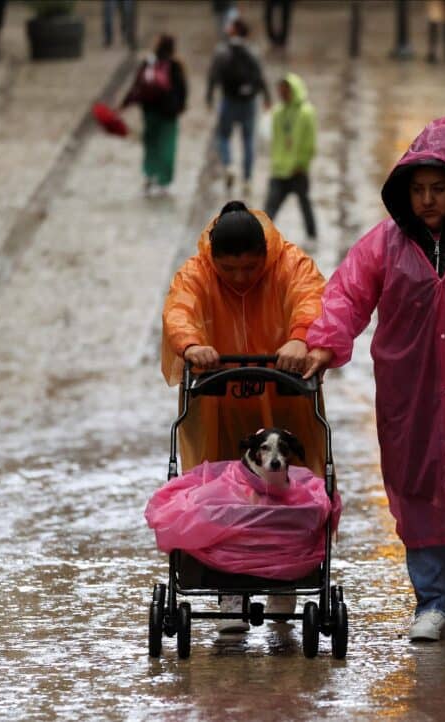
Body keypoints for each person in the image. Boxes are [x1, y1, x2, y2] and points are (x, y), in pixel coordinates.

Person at [302, 117, 445, 642]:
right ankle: (432, 602)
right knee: (418, 491)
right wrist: (324, 341)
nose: (427, 200)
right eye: (418, 190)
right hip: (410, 397)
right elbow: (348, 293)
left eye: (438, 189)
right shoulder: (385, 244)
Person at [161, 200, 328, 630]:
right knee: (219, 492)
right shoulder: (195, 273)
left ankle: (284, 583)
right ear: (213, 261)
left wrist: (298, 338)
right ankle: (228, 591)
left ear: (265, 258)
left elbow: (311, 299)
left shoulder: (290, 263)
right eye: (228, 271)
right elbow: (180, 309)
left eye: (250, 269)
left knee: (287, 492)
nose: (239, 279)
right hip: (216, 401)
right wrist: (191, 344)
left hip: (284, 395)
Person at [206, 18, 271, 197]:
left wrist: (209, 96)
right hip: (249, 101)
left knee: (224, 136)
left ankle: (228, 165)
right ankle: (248, 179)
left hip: (229, 100)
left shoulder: (222, 51)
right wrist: (267, 97)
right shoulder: (253, 51)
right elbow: (261, 76)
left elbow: (213, 75)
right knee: (248, 139)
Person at [122, 34, 188, 196]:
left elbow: (136, 85)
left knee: (150, 142)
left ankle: (149, 173)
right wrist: (181, 106)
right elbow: (182, 88)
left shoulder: (148, 62)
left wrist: (125, 103)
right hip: (168, 111)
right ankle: (164, 180)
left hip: (150, 109)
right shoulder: (175, 65)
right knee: (167, 144)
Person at [264, 73, 317, 241]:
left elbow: (310, 142)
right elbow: (275, 139)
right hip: (279, 170)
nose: (282, 94)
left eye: (285, 90)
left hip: (297, 170)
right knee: (270, 208)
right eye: (280, 90)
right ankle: (261, 239)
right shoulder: (278, 112)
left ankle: (312, 235)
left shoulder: (306, 113)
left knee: (305, 205)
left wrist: (302, 163)